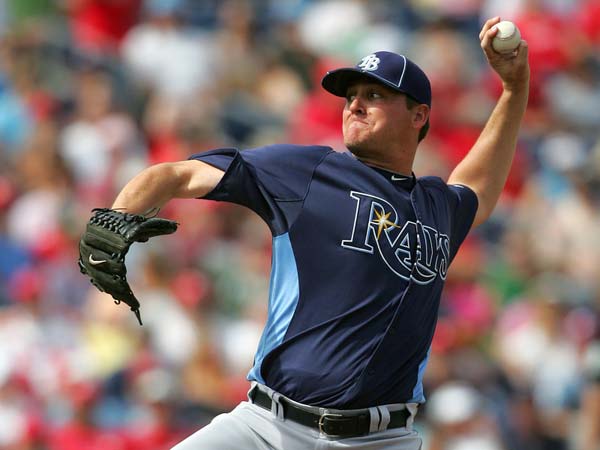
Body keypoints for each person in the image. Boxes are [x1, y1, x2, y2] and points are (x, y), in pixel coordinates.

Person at [101, 17, 529, 450]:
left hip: (381, 440)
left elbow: (478, 184)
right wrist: (114, 220)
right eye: (352, 96)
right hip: (267, 427)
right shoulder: (308, 172)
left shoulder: (438, 207)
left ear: (419, 115)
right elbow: (178, 174)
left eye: (375, 95)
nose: (355, 105)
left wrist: (513, 90)